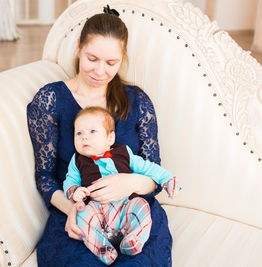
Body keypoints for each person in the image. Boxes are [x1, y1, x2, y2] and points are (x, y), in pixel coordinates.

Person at [27, 7, 173, 266]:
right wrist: (75, 210)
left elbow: (155, 175)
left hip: (133, 210)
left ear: (122, 59)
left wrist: (131, 183)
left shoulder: (137, 102)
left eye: (111, 63)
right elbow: (45, 177)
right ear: (78, 48)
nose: (100, 71)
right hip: (79, 210)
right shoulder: (50, 100)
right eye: (92, 58)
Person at [63, 107, 180, 265]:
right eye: (79, 133)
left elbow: (148, 167)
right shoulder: (77, 160)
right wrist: (74, 191)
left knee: (141, 206)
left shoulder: (124, 153)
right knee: (82, 216)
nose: (84, 137)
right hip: (96, 208)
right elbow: (69, 181)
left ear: (110, 138)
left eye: (92, 132)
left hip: (125, 206)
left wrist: (167, 178)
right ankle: (102, 248)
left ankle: (132, 240)